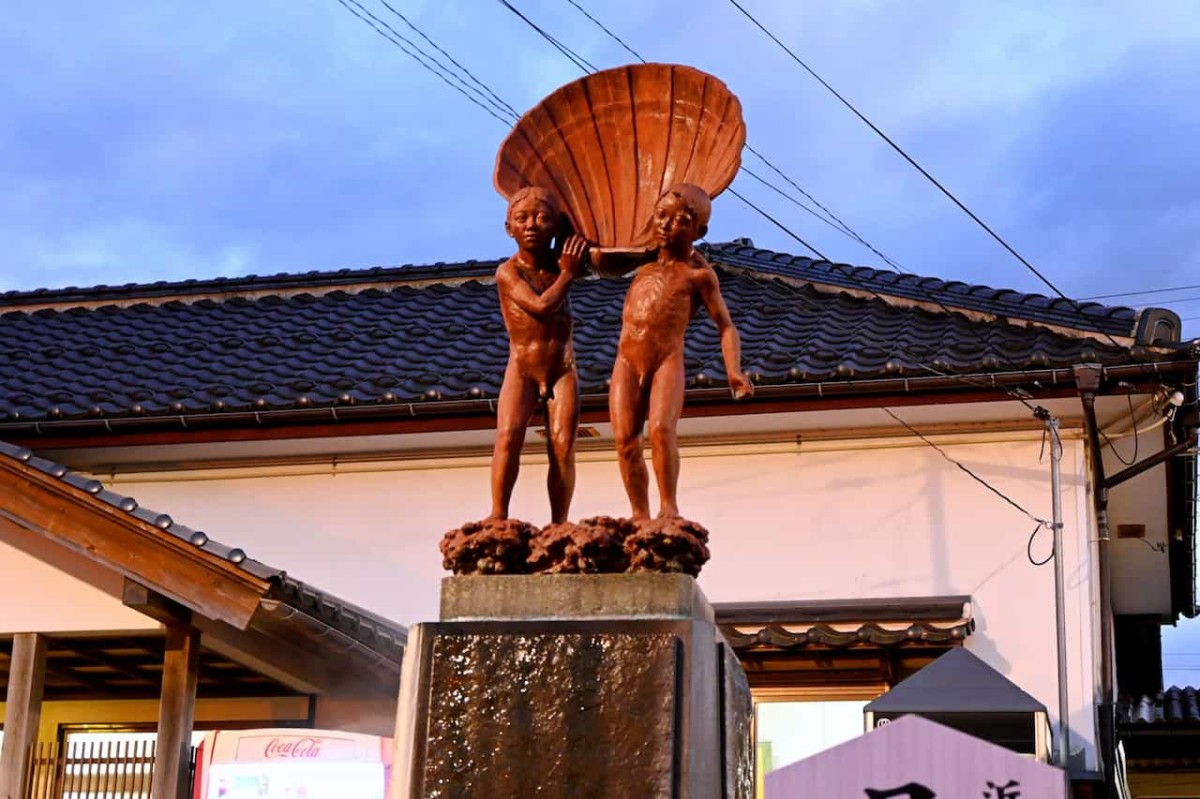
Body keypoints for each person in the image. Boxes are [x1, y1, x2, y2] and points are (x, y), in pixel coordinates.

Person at [610, 183, 753, 520]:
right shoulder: (640, 267)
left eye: (679, 221)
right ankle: (639, 515)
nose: (666, 225)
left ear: (699, 230)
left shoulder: (698, 276)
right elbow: (598, 258)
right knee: (625, 440)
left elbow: (726, 325)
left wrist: (733, 369)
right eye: (661, 216)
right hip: (627, 360)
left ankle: (668, 506)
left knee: (661, 429)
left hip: (666, 360)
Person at [489, 187, 587, 524]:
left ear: (557, 226)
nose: (531, 224)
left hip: (562, 367)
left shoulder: (563, 263)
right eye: (522, 218)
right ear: (509, 228)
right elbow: (541, 306)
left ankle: (559, 522)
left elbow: (609, 258)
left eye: (542, 218)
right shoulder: (508, 272)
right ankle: (498, 514)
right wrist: (569, 274)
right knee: (508, 436)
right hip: (523, 367)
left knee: (562, 446)